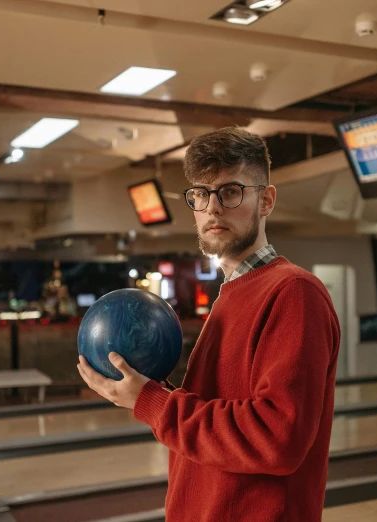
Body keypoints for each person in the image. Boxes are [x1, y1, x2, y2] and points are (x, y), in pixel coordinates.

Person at [78, 127, 341, 521]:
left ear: (265, 200)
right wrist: (147, 389)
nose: (213, 208)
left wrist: (153, 403)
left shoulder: (293, 293)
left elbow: (277, 439)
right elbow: (215, 410)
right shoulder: (231, 296)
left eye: (231, 191)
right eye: (201, 194)